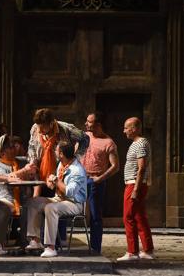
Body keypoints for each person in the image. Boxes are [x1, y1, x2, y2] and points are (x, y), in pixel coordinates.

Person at [25, 140, 87, 258]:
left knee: (50, 208)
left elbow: (70, 191)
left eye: (56, 150)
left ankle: (50, 247)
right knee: (34, 202)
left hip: (74, 203)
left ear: (62, 154)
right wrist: (51, 183)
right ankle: (35, 241)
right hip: (59, 199)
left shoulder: (77, 170)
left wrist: (56, 181)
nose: (54, 152)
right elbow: (56, 186)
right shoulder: (61, 164)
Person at [27, 108, 89, 198]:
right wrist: (33, 161)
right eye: (38, 127)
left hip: (59, 171)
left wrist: (75, 157)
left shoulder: (66, 129)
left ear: (51, 124)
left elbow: (85, 139)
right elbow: (32, 146)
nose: (39, 130)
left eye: (42, 127)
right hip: (40, 170)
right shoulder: (35, 128)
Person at [117, 117, 154, 261]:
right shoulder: (136, 144)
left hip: (134, 184)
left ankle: (132, 252)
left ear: (134, 128)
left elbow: (141, 168)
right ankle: (148, 250)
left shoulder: (140, 144)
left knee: (128, 217)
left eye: (126, 128)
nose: (124, 131)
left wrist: (136, 190)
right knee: (139, 217)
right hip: (133, 183)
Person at [82, 112, 119, 255]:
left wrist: (101, 178)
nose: (86, 124)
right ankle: (60, 243)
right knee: (63, 207)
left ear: (98, 125)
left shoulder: (108, 142)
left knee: (95, 215)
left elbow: (115, 166)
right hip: (80, 179)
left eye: (89, 122)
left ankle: (95, 249)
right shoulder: (84, 136)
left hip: (95, 181)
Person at [0, 134, 37, 214]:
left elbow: (36, 178)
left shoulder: (22, 161)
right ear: (2, 153)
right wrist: (24, 170)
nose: (14, 149)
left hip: (26, 199)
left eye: (14, 146)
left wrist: (35, 196)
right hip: (8, 199)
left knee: (37, 206)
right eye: (10, 147)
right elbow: (6, 178)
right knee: (2, 208)